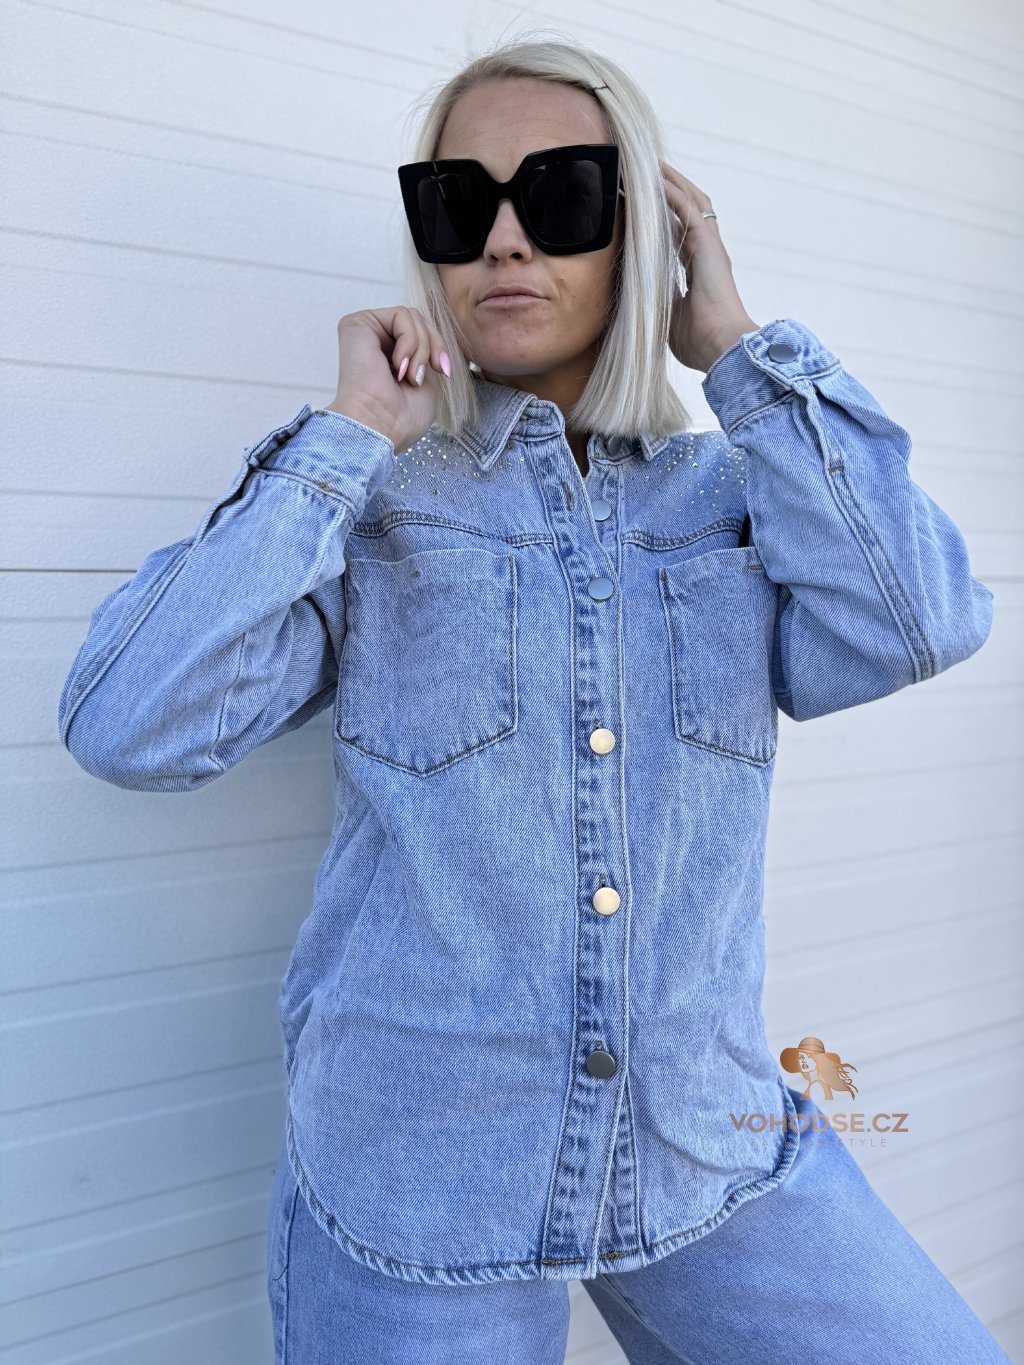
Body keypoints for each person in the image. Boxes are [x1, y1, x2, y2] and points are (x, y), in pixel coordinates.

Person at [57, 32, 1008, 1365]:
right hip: (422, 1189)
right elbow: (127, 724)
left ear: (641, 234)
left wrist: (734, 346)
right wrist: (344, 438)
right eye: (459, 203)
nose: (504, 239)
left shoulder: (735, 502)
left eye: (559, 194)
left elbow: (919, 620)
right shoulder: (376, 505)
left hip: (705, 1150)